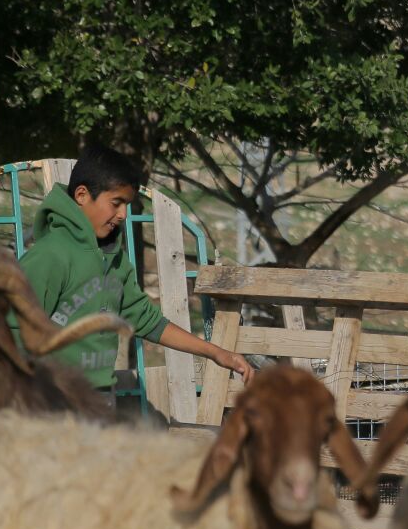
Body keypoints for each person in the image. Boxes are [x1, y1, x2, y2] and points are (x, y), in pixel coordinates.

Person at [15, 144, 253, 393]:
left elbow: (147, 320)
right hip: (52, 399)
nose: (123, 215)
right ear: (82, 195)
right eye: (116, 203)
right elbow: (11, 329)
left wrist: (215, 353)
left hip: (101, 396)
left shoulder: (115, 259)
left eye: (127, 204)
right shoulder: (49, 256)